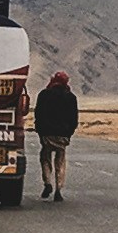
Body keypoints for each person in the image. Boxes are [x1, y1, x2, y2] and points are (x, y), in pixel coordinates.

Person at [32, 69, 80, 201]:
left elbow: (39, 114)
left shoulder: (44, 95)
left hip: (47, 134)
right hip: (63, 135)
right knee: (60, 161)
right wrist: (69, 133)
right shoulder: (71, 97)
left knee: (45, 158)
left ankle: (47, 182)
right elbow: (74, 119)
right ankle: (59, 189)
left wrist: (40, 131)